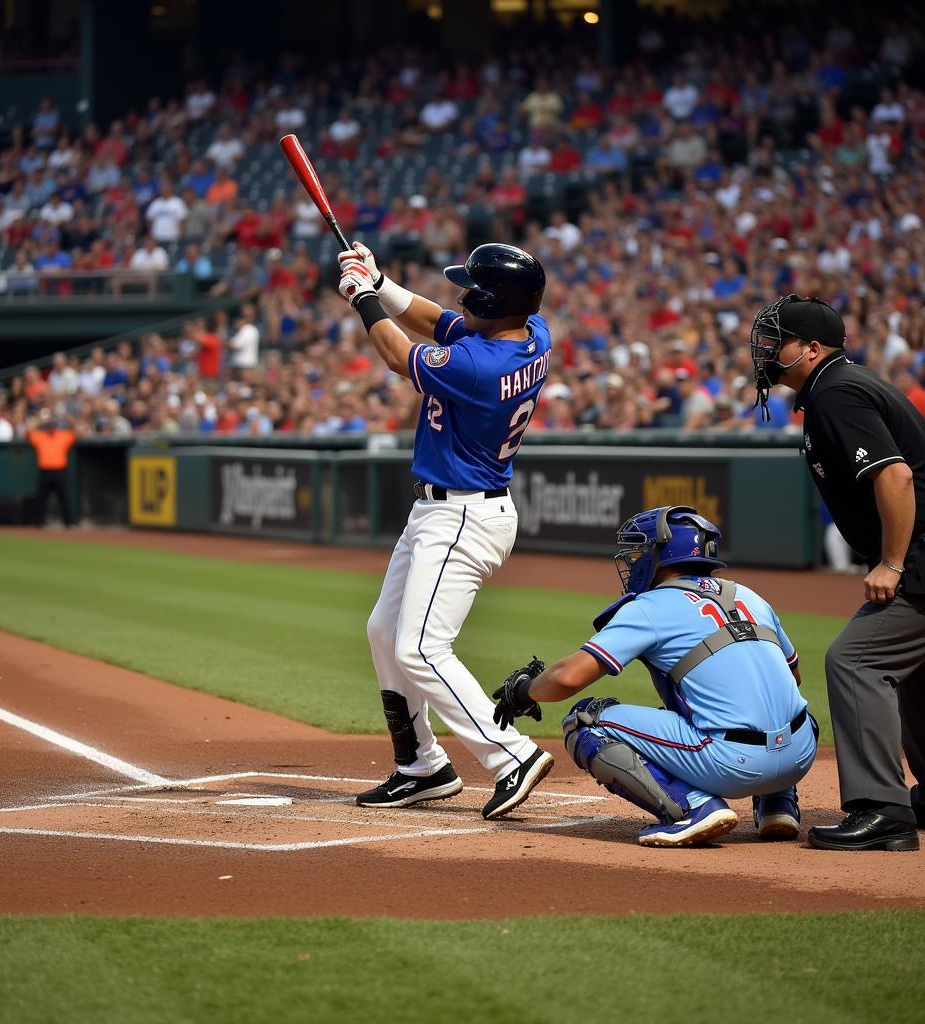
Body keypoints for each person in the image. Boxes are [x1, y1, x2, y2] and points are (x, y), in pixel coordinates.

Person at [336, 240, 555, 819]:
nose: (461, 295)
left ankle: (512, 755)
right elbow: (439, 320)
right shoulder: (530, 334)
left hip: (462, 514)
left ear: (494, 301)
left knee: (421, 648)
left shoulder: (479, 365)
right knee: (385, 632)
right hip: (446, 510)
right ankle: (423, 766)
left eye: (471, 289)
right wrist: (380, 283)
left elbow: (396, 352)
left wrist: (363, 299)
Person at [492, 505, 818, 847]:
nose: (633, 561)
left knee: (585, 722)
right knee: (777, 705)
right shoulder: (750, 596)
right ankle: (776, 803)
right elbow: (793, 676)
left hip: (733, 764)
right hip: (800, 753)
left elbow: (569, 678)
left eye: (640, 551)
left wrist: (526, 690)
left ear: (662, 553)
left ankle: (692, 808)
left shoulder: (649, 606)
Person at [751, 294, 925, 851]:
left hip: (920, 552)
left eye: (777, 341)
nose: (767, 350)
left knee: (855, 660)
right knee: (909, 669)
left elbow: (894, 477)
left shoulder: (835, 391)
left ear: (811, 349)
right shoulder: (839, 384)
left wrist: (892, 562)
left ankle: (882, 810)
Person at [27, 411, 77, 527]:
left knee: (63, 497)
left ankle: (68, 522)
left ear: (56, 426)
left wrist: (66, 418)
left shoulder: (63, 435)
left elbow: (75, 431)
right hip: (45, 471)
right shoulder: (40, 436)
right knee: (41, 498)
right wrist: (39, 421)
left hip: (59, 471)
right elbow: (28, 432)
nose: (51, 427)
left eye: (53, 425)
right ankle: (39, 522)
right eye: (49, 425)